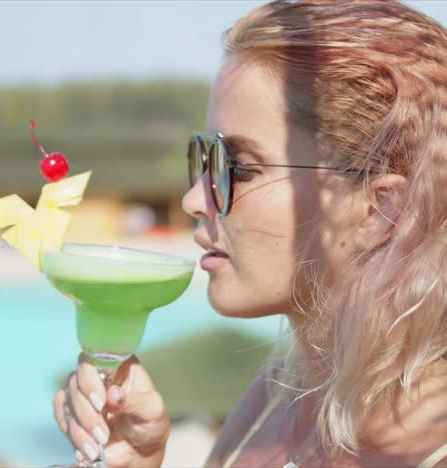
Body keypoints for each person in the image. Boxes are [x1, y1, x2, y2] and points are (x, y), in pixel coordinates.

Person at [53, 0, 447, 466]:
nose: (194, 199)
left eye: (236, 167)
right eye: (204, 156)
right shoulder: (279, 394)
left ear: (381, 210)